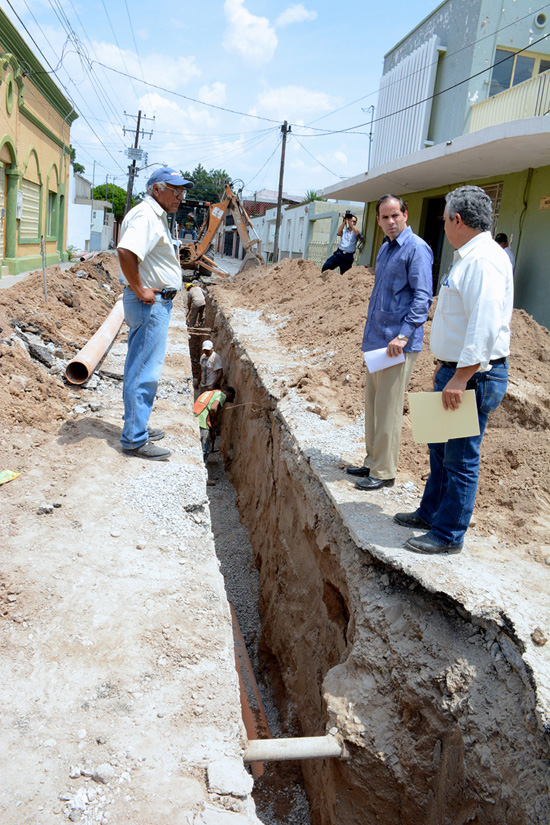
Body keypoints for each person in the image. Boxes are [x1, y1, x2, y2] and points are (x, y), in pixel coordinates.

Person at [395, 185, 513, 555]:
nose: (443, 225)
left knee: (461, 458)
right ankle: (431, 513)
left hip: (473, 377)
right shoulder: (469, 257)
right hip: (455, 371)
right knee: (439, 450)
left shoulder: (484, 261)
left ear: (458, 220)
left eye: (444, 220)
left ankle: (447, 535)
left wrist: (460, 378)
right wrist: (446, 369)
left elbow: (485, 325)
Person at [348, 194, 433, 490]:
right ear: (378, 220)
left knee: (388, 407)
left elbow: (422, 299)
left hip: (398, 343)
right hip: (377, 340)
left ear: (405, 215)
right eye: (384, 217)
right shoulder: (385, 250)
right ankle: (372, 461)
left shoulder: (416, 249)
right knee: (373, 403)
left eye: (395, 215)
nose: (390, 222)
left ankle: (384, 472)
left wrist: (403, 334)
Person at [118, 166, 194, 461]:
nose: (180, 196)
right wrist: (140, 289)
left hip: (156, 303)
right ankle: (135, 440)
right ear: (156, 189)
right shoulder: (146, 215)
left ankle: (138, 427)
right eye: (175, 191)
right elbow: (125, 252)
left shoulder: (156, 215)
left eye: (182, 191)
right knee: (143, 372)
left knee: (142, 368)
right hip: (150, 303)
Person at [194, 385, 235, 464]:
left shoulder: (210, 392)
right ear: (229, 394)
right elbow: (213, 408)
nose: (227, 400)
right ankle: (201, 466)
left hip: (195, 417)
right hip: (203, 419)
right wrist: (214, 418)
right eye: (229, 399)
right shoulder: (221, 395)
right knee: (205, 449)